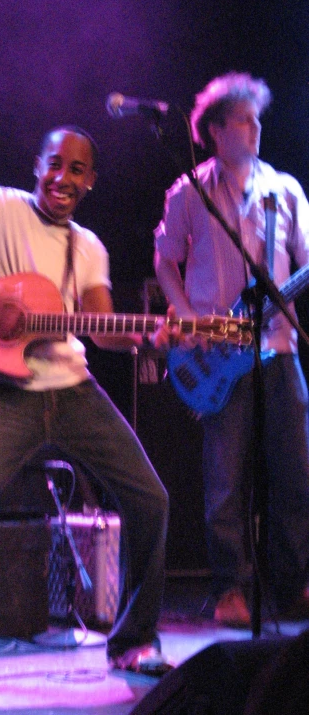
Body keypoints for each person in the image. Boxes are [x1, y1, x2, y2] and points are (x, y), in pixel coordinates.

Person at [0, 125, 174, 682]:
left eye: (76, 170)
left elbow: (99, 327)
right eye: (54, 164)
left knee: (152, 499)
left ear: (90, 180)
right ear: (37, 165)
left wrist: (147, 333)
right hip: (6, 394)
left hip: (73, 391)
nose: (62, 178)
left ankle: (133, 641)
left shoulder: (87, 246)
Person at [154, 72, 309, 626]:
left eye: (257, 118)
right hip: (216, 356)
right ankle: (230, 592)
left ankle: (292, 588)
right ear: (216, 131)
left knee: (296, 476)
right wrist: (188, 315)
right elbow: (164, 259)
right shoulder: (189, 191)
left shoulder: (285, 191)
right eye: (244, 118)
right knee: (225, 481)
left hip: (279, 350)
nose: (256, 126)